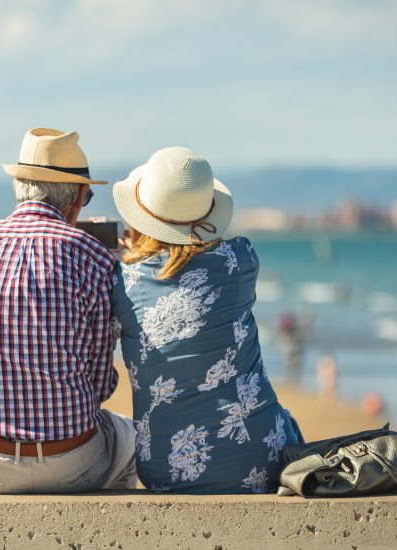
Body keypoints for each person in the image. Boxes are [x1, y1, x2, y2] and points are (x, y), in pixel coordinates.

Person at [0, 128, 136, 493]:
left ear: (18, 186)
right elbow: (100, 385)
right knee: (128, 438)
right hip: (72, 462)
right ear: (78, 196)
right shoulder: (94, 257)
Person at [111, 147, 303, 493]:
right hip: (261, 456)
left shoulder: (122, 281)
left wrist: (129, 254)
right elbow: (190, 263)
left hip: (167, 468)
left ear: (142, 216)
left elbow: (154, 277)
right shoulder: (241, 260)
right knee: (285, 420)